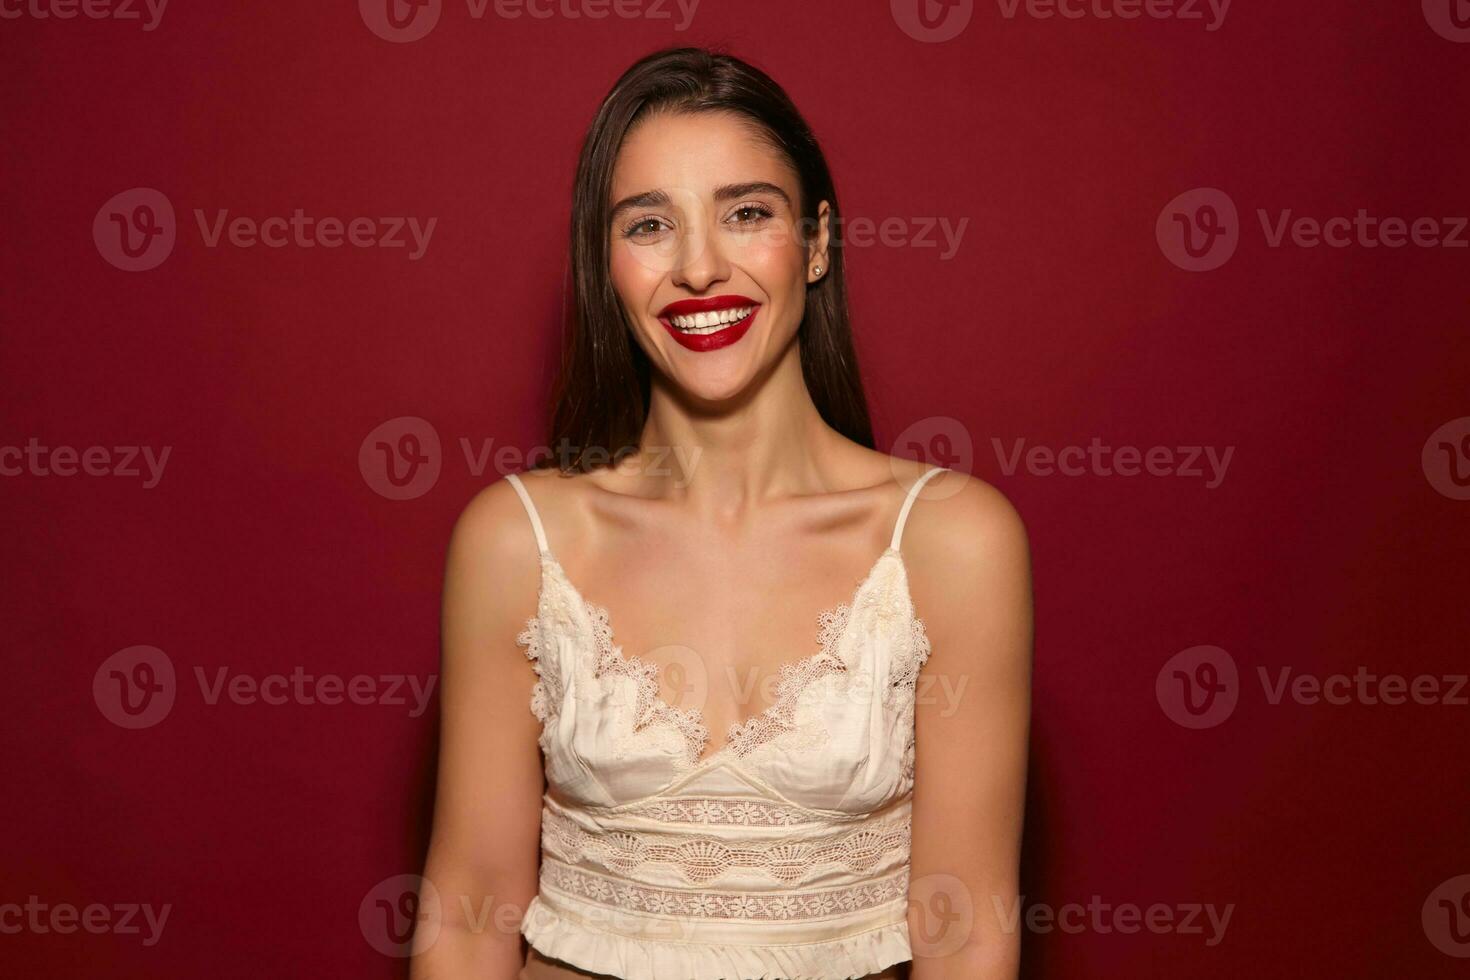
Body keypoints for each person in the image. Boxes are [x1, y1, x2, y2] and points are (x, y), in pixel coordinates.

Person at [413, 46, 1032, 980]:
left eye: (747, 214)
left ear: (818, 242)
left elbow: (966, 929)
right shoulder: (515, 542)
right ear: (605, 265)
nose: (700, 268)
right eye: (650, 224)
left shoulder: (954, 542)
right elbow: (467, 918)